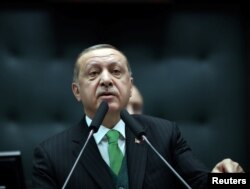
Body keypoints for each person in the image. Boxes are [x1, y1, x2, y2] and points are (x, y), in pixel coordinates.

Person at [32, 44, 244, 189]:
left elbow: (201, 183)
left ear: (130, 86)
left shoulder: (164, 134)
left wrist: (229, 180)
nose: (106, 80)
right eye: (94, 73)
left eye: (115, 71)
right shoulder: (50, 154)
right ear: (76, 91)